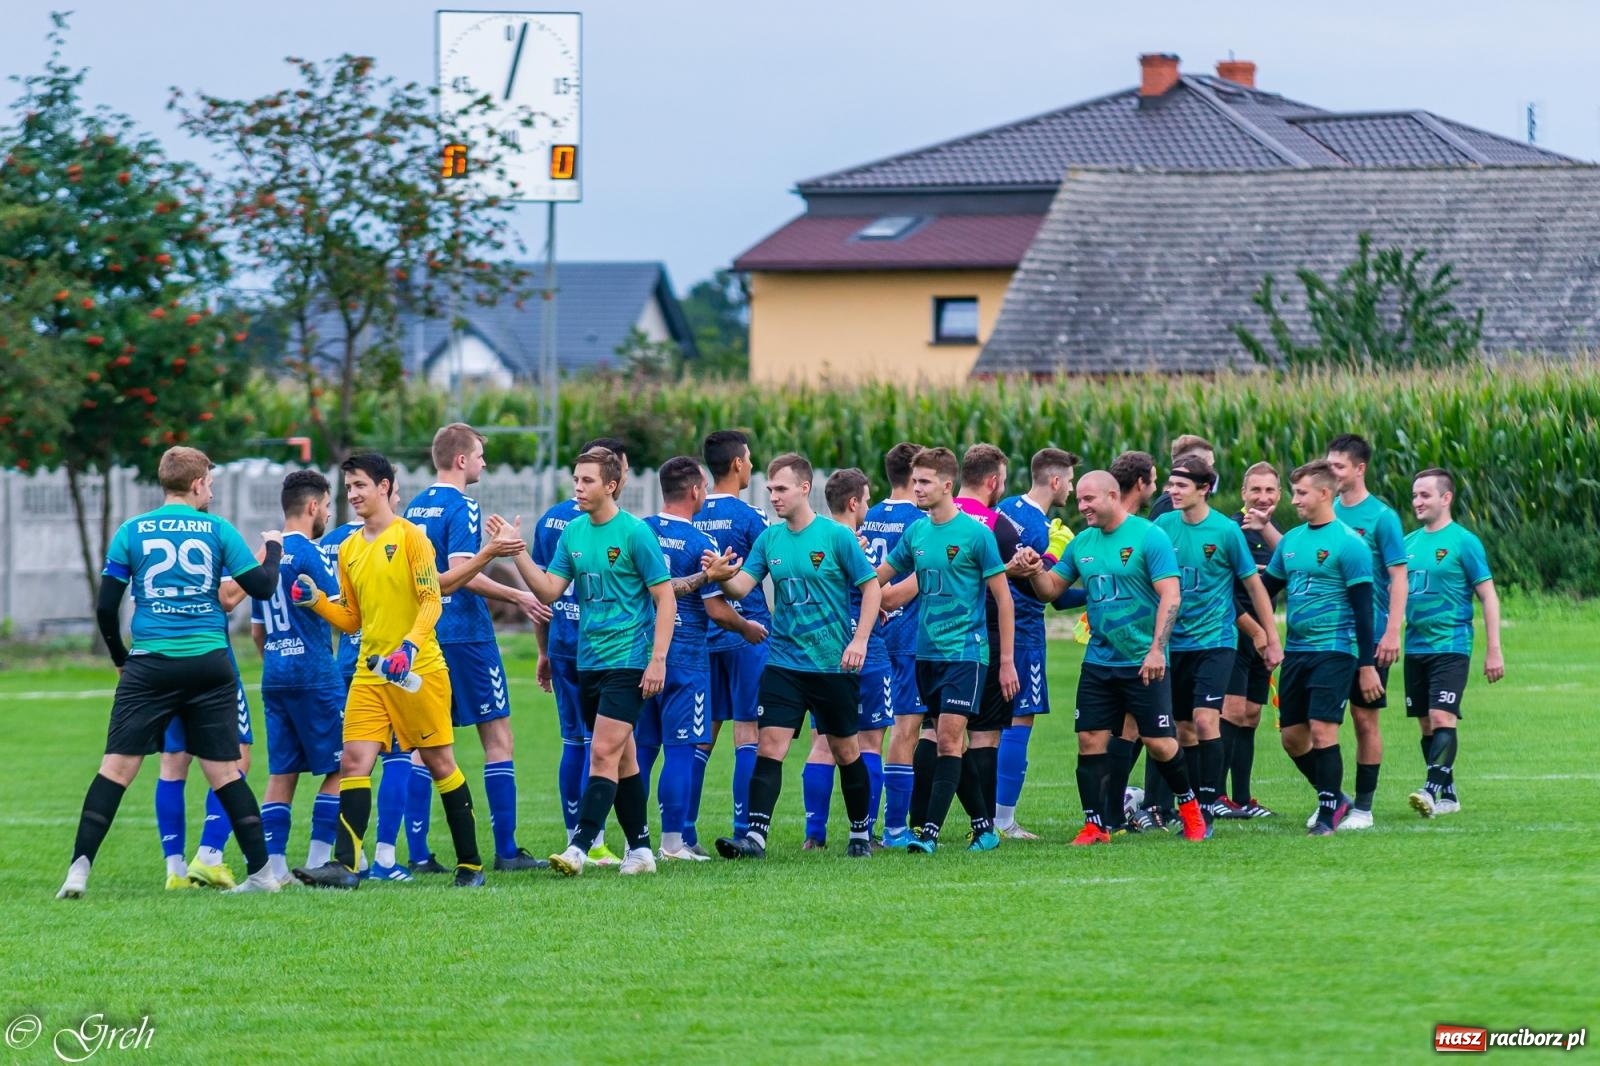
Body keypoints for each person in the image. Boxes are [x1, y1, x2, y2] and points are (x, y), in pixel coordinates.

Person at [59, 446, 284, 898]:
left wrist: (121, 658)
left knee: (117, 769)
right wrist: (275, 548)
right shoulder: (218, 529)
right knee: (224, 771)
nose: (212, 491)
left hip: (151, 665)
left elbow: (106, 607)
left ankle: (78, 872)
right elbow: (262, 584)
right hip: (209, 663)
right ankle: (261, 874)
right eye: (211, 484)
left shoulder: (131, 530)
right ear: (198, 483)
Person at [291, 452, 506, 889]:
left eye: (360, 486)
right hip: (371, 672)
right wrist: (317, 601)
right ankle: (347, 867)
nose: (352, 494)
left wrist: (408, 647)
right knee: (354, 760)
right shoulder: (349, 548)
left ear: (385, 487)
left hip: (418, 667)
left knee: (440, 761)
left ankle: (470, 865)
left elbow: (431, 600)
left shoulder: (412, 538)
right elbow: (353, 618)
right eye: (348, 487)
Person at [500, 447, 676, 877]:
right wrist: (516, 549)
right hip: (589, 661)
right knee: (624, 757)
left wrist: (657, 660)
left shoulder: (635, 534)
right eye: (576, 479)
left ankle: (579, 847)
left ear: (611, 485)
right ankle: (642, 852)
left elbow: (666, 597)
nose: (577, 487)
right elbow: (547, 591)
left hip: (629, 661)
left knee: (601, 753)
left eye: (587, 480)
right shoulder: (574, 533)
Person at [1011, 470, 1208, 845]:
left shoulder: (1149, 537)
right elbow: (1052, 591)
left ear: (1113, 496)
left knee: (1159, 742)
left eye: (1089, 500)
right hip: (1099, 663)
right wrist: (1035, 569)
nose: (1081, 506)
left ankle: (1190, 808)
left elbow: (1171, 595)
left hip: (1142, 662)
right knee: (1089, 740)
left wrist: (1156, 650)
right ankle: (1095, 825)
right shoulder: (1082, 542)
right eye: (1080, 499)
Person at [704, 453, 882, 861]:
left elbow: (871, 588)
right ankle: (755, 837)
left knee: (846, 751)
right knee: (770, 747)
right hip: (784, 664)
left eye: (781, 489)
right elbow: (743, 586)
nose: (773, 497)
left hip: (831, 664)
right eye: (769, 489)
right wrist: (720, 577)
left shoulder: (836, 537)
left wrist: (859, 641)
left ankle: (859, 833)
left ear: (805, 488)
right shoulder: (769, 540)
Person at [403, 423, 550, 872]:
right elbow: (462, 572)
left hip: (423, 634)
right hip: (465, 636)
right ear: (462, 460)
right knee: (498, 737)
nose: (484, 462)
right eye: (481, 455)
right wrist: (518, 593)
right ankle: (506, 851)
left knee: (421, 746)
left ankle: (417, 854)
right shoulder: (463, 505)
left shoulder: (413, 508)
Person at [875, 447, 1017, 853]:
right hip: (927, 654)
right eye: (914, 480)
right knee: (945, 740)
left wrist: (1005, 661)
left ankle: (928, 834)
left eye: (923, 482)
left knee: (950, 739)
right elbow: (880, 579)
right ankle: (984, 827)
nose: (915, 488)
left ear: (946, 485)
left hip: (966, 654)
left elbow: (1003, 601)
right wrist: (848, 560)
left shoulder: (976, 535)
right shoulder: (917, 533)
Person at [640, 456, 767, 861]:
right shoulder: (700, 544)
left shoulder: (639, 533)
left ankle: (635, 841)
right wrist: (747, 628)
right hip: (687, 658)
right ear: (695, 490)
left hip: (641, 655)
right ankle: (674, 842)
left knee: (641, 750)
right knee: (682, 748)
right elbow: (716, 609)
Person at [1154, 458, 1282, 826]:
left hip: (1216, 640)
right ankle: (1190, 806)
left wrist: (1270, 638)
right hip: (1174, 644)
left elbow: (1255, 588)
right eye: (1170, 485)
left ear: (1203, 488)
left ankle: (1208, 808)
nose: (1172, 492)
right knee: (1183, 730)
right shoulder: (1162, 527)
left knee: (1207, 721)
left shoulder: (1226, 531)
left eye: (1181, 486)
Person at [1260, 460, 1382, 836]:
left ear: (1325, 494)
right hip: (1296, 653)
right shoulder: (1292, 542)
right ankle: (1334, 795)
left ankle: (1329, 812)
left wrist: (1366, 665)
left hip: (1336, 650)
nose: (1294, 500)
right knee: (1292, 738)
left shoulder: (1350, 543)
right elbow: (1266, 592)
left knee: (1323, 730)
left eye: (1301, 493)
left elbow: (1365, 610)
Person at [530, 437, 632, 866]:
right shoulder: (616, 526)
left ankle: (585, 835)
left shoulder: (550, 519)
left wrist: (544, 650)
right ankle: (601, 841)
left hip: (563, 642)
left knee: (575, 742)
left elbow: (542, 599)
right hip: (603, 646)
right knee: (611, 745)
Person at [248, 470, 347, 886]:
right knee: (341, 767)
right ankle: (320, 860)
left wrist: (275, 656)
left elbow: (257, 629)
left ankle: (274, 869)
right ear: (312, 507)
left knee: (281, 773)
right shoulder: (312, 554)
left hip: (275, 675)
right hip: (315, 674)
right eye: (326, 507)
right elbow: (340, 614)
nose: (327, 513)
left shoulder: (266, 555)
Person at [1402, 469, 1505, 818]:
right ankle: (1448, 793)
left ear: (1446, 498)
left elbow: (1488, 596)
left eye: (1425, 495)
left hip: (1451, 644)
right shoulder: (1408, 544)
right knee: (1426, 723)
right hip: (1415, 646)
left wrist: (1494, 649)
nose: (1417, 501)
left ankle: (1430, 789)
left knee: (1442, 715)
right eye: (1415, 495)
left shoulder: (1464, 541)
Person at [800, 469, 892, 849]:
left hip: (823, 654)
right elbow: (875, 591)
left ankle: (814, 835)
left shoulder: (812, 539)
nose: (868, 506)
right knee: (869, 744)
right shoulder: (857, 543)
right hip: (865, 651)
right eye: (867, 500)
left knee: (822, 743)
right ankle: (863, 831)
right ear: (854, 503)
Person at [692, 430, 773, 849]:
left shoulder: (692, 513)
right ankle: (744, 831)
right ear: (738, 464)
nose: (753, 466)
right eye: (751, 459)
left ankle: (683, 833)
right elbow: (778, 565)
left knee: (702, 734)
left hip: (702, 638)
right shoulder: (750, 517)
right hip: (748, 634)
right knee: (748, 732)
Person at [996, 447, 1081, 838]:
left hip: (990, 624)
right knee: (1019, 720)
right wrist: (1095, 594)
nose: (1073, 488)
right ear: (1056, 481)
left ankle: (984, 818)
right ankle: (1003, 820)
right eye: (1071, 481)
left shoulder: (1006, 507)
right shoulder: (1041, 529)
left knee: (985, 726)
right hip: (1025, 633)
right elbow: (1056, 596)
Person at [1325, 434, 1407, 828]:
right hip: (1327, 637)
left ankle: (1363, 807)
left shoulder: (1382, 517)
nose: (1332, 473)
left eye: (1339, 466)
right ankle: (1331, 801)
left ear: (1360, 469)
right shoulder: (1327, 511)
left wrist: (1392, 632)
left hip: (1368, 635)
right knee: (1319, 724)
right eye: (1329, 466)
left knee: (1363, 719)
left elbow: (1398, 577)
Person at [860, 442, 927, 847]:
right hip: (906, 638)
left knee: (870, 737)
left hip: (871, 638)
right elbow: (901, 588)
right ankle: (895, 828)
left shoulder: (867, 518)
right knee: (905, 732)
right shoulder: (920, 522)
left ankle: (862, 826)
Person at [1219, 462, 1285, 818]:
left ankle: (1242, 799)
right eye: (1255, 490)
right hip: (1234, 633)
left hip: (1263, 638)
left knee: (1251, 716)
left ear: (1279, 495)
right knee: (1230, 712)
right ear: (1243, 493)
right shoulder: (1230, 531)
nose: (1262, 497)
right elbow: (1223, 595)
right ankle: (1215, 796)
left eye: (1270, 490)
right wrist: (1257, 632)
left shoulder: (1278, 537)